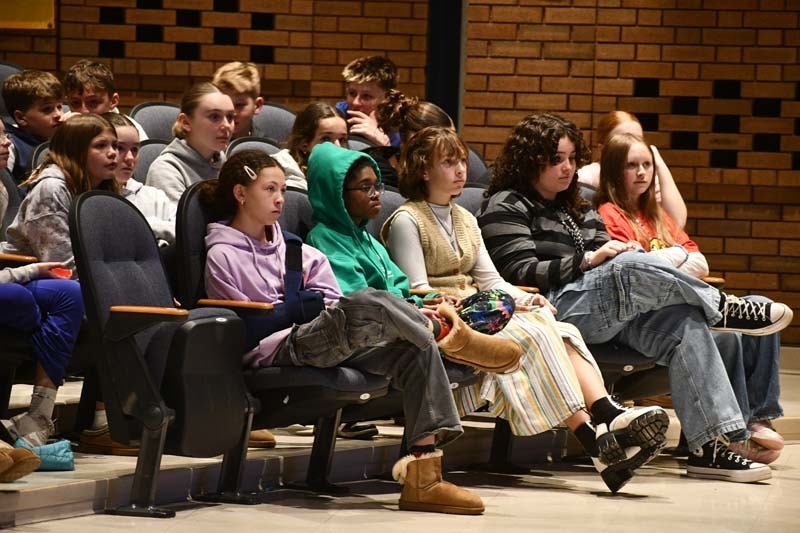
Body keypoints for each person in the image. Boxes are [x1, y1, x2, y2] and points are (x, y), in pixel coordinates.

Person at [478, 113, 793, 483]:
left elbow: (604, 258)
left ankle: (710, 447)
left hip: (600, 308)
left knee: (682, 323)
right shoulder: (506, 204)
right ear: (530, 160)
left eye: (572, 159)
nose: (567, 168)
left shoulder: (576, 205)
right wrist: (589, 260)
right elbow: (519, 272)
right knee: (627, 265)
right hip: (550, 310)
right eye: (556, 159)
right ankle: (720, 307)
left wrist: (609, 257)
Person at [372, 128, 667, 492]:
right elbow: (417, 290)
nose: (461, 170)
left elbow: (491, 279)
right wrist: (478, 303)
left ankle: (598, 434)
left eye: (462, 160)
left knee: (556, 324)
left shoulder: (464, 218)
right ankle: (602, 422)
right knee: (534, 332)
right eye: (448, 162)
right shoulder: (407, 219)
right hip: (444, 318)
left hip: (479, 308)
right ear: (422, 170)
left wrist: (527, 299)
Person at [201, 149, 486, 515]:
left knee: (414, 352)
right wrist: (302, 307)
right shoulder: (223, 254)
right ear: (241, 194)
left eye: (284, 190)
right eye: (269, 189)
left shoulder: (296, 250)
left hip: (322, 335)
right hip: (277, 347)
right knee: (367, 299)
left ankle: (424, 478)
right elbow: (244, 322)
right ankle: (448, 335)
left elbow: (332, 303)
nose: (279, 199)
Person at [595, 132, 785, 463]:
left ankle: (758, 417)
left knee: (762, 307)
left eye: (646, 165)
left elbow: (701, 262)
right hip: (653, 317)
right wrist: (678, 256)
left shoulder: (657, 216)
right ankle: (731, 432)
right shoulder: (609, 214)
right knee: (726, 336)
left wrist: (671, 258)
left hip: (687, 300)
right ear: (613, 170)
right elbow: (638, 268)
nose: (642, 173)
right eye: (631, 166)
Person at [0, 117, 84, 456]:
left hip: (9, 279)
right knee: (18, 298)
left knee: (68, 293)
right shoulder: (51, 188)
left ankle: (38, 416)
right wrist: (27, 272)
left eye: (5, 135)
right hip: (10, 281)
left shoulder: (1, 187)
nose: (6, 143)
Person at [1, 114, 119, 267]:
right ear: (75, 151)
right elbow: (61, 263)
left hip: (83, 276)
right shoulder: (51, 189)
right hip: (24, 273)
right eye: (100, 145)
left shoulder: (104, 187)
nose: (112, 153)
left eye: (115, 146)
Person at [577, 110, 686, 228]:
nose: (633, 146)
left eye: (638, 139)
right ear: (602, 149)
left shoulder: (645, 176)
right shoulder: (587, 176)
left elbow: (677, 224)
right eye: (623, 140)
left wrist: (658, 162)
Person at [145, 82, 233, 209]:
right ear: (186, 122)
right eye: (214, 117)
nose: (227, 126)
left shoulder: (226, 166)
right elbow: (180, 226)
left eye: (230, 117)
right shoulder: (166, 170)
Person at [102, 113, 175, 245]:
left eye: (135, 149)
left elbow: (183, 231)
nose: (130, 158)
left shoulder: (155, 196)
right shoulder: (88, 198)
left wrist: (150, 225)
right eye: (120, 148)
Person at [62, 59, 148, 141]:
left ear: (113, 101)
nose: (84, 112)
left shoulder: (130, 130)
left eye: (93, 102)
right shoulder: (64, 125)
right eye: (75, 103)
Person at [1, 70, 63, 183]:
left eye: (59, 107)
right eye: (47, 109)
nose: (58, 114)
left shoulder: (58, 138)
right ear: (21, 118)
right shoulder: (9, 146)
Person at [271, 102, 348, 190]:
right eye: (326, 139)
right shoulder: (283, 179)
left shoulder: (349, 175)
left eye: (342, 140)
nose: (338, 147)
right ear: (304, 144)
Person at [336, 56, 399, 147]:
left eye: (366, 96)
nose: (355, 102)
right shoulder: (335, 116)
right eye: (352, 93)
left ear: (387, 98)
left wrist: (383, 146)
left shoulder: (399, 128)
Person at [211, 61, 265, 141]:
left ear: (257, 105)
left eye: (239, 105)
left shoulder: (268, 150)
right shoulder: (200, 146)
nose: (231, 113)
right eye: (224, 104)